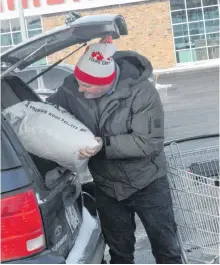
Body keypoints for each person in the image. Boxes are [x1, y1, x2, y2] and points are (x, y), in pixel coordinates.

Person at [47, 36, 182, 264]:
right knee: (119, 254)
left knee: (166, 250)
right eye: (78, 81)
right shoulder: (72, 88)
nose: (79, 88)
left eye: (86, 84)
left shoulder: (142, 93)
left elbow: (148, 142)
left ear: (106, 81)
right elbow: (49, 113)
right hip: (108, 187)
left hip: (147, 183)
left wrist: (103, 145)